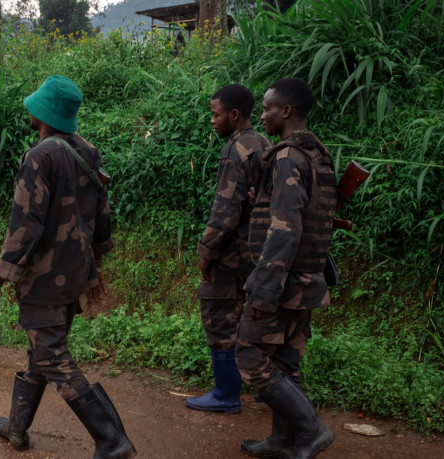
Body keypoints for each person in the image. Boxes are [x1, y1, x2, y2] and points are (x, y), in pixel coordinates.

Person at [0, 75, 136, 459]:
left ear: (41, 111)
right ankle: (16, 429)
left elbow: (24, 227)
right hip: (75, 272)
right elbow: (103, 216)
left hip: (45, 278)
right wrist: (95, 266)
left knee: (51, 356)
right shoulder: (89, 152)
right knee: (41, 352)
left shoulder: (40, 156)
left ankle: (113, 440)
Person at [236, 77, 337, 458]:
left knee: (249, 355)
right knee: (285, 361)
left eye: (267, 108)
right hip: (306, 277)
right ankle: (284, 440)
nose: (262, 116)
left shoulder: (288, 158)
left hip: (281, 281)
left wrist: (263, 288)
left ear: (287, 111)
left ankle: (311, 430)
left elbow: (285, 229)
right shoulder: (317, 155)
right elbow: (305, 211)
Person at [186, 84, 271, 413]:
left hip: (233, 254)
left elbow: (225, 210)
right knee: (254, 318)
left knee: (219, 316)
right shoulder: (263, 143)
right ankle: (266, 388)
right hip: (258, 253)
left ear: (235, 115)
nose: (212, 120)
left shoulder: (235, 150)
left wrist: (206, 251)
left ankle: (225, 394)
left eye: (216, 114)